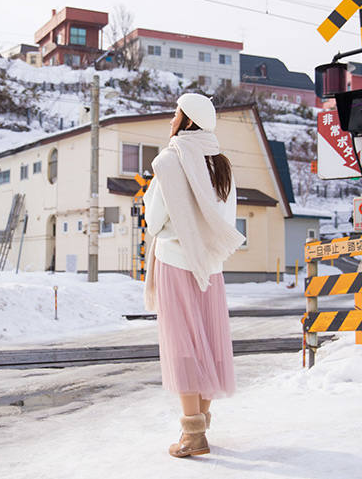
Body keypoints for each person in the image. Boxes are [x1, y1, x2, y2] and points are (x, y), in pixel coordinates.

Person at [142, 93, 246, 458]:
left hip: (175, 260)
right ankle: (201, 425)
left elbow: (154, 221)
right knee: (206, 341)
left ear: (187, 121)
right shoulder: (222, 166)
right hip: (211, 265)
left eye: (175, 114)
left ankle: (192, 435)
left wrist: (151, 199)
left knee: (182, 343)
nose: (171, 120)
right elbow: (224, 220)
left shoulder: (169, 163)